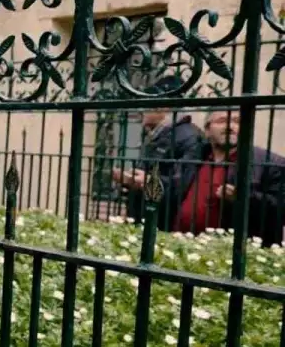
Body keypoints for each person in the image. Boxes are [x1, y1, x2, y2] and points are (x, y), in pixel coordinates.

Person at [171, 110, 285, 245]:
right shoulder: (193, 158)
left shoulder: (271, 163)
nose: (230, 126)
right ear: (207, 130)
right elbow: (171, 194)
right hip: (179, 246)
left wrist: (244, 197)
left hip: (231, 254)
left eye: (237, 122)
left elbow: (280, 209)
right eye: (222, 121)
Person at [111, 76, 204, 225]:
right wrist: (129, 182)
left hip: (163, 221)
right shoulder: (160, 134)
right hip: (146, 216)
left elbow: (182, 186)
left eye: (148, 104)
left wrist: (147, 182)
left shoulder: (188, 136)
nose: (142, 110)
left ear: (164, 106)